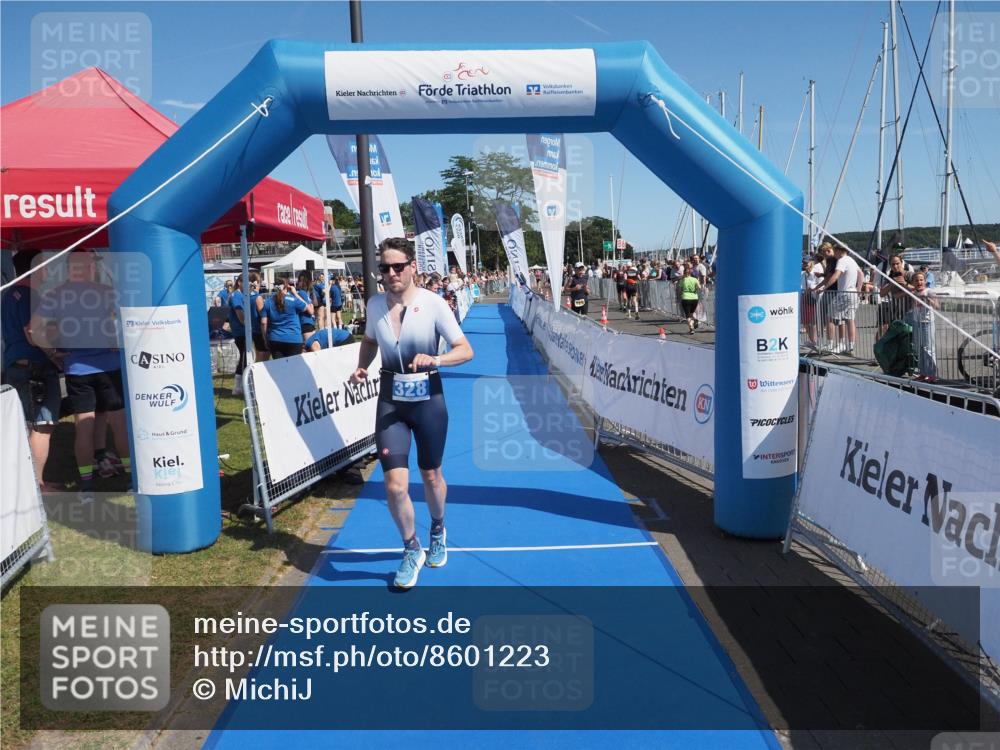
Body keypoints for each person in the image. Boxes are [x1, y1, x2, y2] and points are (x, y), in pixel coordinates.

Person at [349, 238, 474, 589]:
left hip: (428, 400)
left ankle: (437, 528)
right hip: (391, 401)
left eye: (398, 267)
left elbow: (465, 350)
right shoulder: (374, 305)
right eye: (384, 268)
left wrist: (436, 359)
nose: (391, 274)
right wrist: (362, 367)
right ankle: (410, 548)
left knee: (431, 475)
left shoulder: (433, 304)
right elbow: (371, 340)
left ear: (412, 267)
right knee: (394, 484)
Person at [31, 251, 130, 502]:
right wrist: (116, 341)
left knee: (83, 427)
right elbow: (127, 320)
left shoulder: (55, 294)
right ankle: (131, 480)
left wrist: (53, 352)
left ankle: (86, 487)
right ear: (89, 267)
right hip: (109, 366)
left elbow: (33, 329)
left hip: (76, 369)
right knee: (119, 425)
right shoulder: (106, 291)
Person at [1, 251, 63, 491]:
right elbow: (33, 332)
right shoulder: (30, 295)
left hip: (16, 365)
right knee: (43, 425)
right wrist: (54, 355)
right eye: (45, 266)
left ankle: (28, 484)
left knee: (28, 424)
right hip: (35, 366)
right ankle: (35, 486)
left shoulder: (9, 295)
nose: (48, 271)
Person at [814, 244, 862, 355]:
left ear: (840, 251)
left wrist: (823, 289)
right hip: (853, 292)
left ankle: (830, 345)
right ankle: (850, 346)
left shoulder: (842, 260)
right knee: (850, 320)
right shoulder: (852, 260)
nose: (834, 254)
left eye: (834, 251)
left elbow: (835, 276)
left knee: (830, 318)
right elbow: (861, 274)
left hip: (844, 293)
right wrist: (858, 290)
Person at [261, 276, 313, 358]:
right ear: (286, 287)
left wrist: (265, 339)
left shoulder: (267, 302)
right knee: (293, 368)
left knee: (279, 367)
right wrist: (295, 293)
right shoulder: (293, 300)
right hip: (293, 338)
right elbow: (308, 308)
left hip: (275, 338)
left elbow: (264, 322)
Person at [906, 272, 939, 380]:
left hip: (927, 322)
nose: (919, 282)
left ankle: (932, 374)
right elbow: (913, 306)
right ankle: (923, 372)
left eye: (921, 280)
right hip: (917, 322)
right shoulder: (914, 293)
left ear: (925, 281)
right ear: (913, 282)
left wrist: (927, 300)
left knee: (928, 348)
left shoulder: (929, 291)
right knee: (919, 348)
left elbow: (937, 306)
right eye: (916, 280)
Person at [678, 263, 701, 334]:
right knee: (691, 313)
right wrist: (695, 290)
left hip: (686, 298)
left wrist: (680, 296)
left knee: (687, 315)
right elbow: (699, 287)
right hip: (694, 298)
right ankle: (695, 320)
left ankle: (691, 328)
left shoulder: (682, 280)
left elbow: (680, 290)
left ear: (684, 273)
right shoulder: (695, 279)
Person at [296, 271, 317, 338]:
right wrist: (310, 306)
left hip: (309, 322)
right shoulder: (302, 293)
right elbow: (311, 311)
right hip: (306, 322)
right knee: (309, 346)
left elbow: (315, 304)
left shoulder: (305, 293)